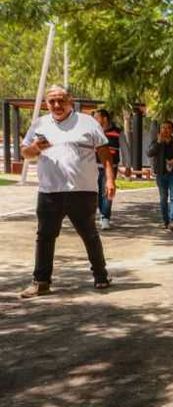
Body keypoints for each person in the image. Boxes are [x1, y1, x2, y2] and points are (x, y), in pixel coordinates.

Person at [18, 85, 114, 298]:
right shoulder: (39, 124)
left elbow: (105, 153)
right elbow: (25, 152)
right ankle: (41, 282)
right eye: (52, 101)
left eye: (61, 100)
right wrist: (33, 149)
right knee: (44, 236)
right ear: (46, 103)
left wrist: (109, 179)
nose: (57, 105)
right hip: (49, 191)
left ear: (70, 101)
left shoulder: (87, 122)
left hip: (82, 190)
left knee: (89, 234)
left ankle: (101, 276)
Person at [147, 120, 173, 230]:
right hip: (161, 174)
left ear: (172, 130)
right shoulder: (156, 142)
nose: (165, 130)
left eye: (167, 128)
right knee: (163, 199)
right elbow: (149, 153)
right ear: (160, 130)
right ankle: (165, 221)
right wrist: (158, 143)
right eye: (163, 128)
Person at [92, 109, 126, 230]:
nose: (94, 120)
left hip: (111, 168)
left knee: (107, 192)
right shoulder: (93, 132)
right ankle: (102, 214)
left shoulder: (117, 132)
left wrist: (127, 165)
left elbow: (125, 150)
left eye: (97, 118)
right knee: (96, 193)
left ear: (104, 119)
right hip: (94, 167)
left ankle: (105, 217)